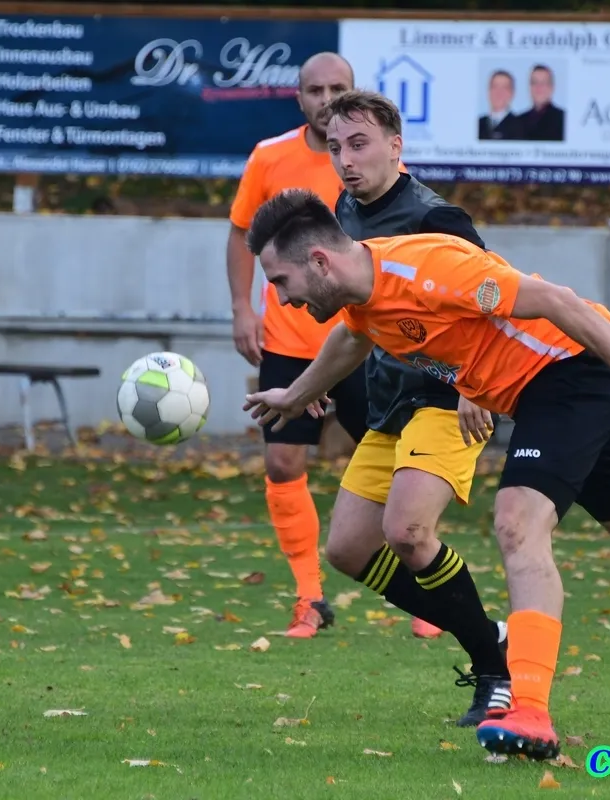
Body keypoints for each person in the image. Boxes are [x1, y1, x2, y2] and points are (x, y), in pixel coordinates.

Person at [240, 191, 610, 762]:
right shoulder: (361, 298)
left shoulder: (429, 270)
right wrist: (296, 395)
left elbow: (560, 302)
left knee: (518, 523)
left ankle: (529, 709)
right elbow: (351, 339)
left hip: (568, 375)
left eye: (282, 282)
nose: (283, 300)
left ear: (319, 261)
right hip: (535, 398)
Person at [315, 88, 510, 725]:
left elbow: (497, 305)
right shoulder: (345, 210)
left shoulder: (438, 218)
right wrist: (311, 385)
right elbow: (357, 323)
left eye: (359, 144)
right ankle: (487, 636)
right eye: (336, 147)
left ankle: (494, 672)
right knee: (348, 549)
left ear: (396, 147)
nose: (346, 159)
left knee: (407, 532)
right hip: (390, 402)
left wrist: (473, 387)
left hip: (449, 397)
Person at [226, 51, 431, 641]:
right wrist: (242, 308)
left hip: (363, 342)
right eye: (314, 90)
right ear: (299, 98)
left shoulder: (374, 169)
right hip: (290, 339)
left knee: (399, 470)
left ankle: (427, 595)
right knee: (282, 462)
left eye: (336, 88)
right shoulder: (270, 156)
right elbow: (241, 233)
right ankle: (309, 598)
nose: (325, 99)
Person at [518, 65, 564, 142]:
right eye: (534, 82)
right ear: (530, 87)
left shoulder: (564, 120)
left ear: (552, 87)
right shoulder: (518, 122)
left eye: (543, 83)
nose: (539, 87)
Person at [478, 71, 524, 141]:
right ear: (488, 91)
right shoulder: (477, 124)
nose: (499, 92)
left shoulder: (521, 126)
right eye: (495, 87)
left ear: (512, 93)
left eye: (504, 88)